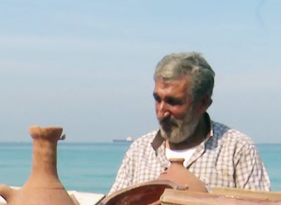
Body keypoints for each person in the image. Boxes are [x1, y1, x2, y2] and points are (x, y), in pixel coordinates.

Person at [110, 52, 271, 193]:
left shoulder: (237, 149)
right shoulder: (139, 151)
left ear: (203, 103)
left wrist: (202, 199)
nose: (161, 112)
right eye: (157, 99)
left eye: (173, 102)